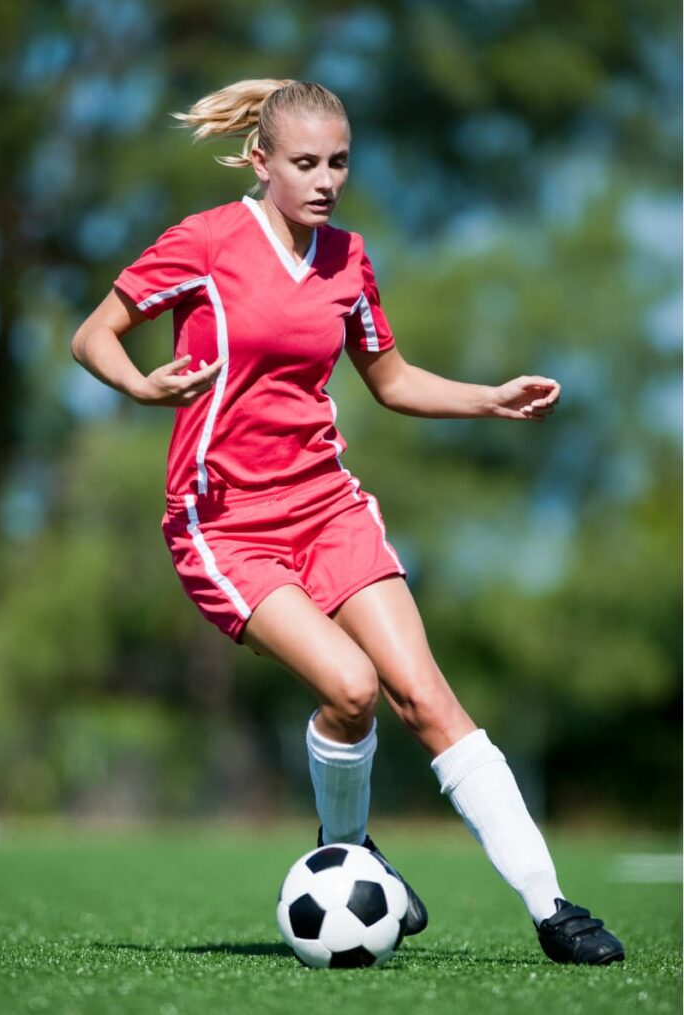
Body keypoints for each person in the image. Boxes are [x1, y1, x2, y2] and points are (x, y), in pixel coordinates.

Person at [71, 79, 624, 966]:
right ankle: (355, 847)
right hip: (224, 523)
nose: (325, 179)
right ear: (261, 160)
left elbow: (392, 380)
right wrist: (139, 383)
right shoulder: (205, 242)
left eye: (338, 162)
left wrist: (491, 397)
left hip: (328, 505)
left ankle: (554, 907)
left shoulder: (349, 258)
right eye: (305, 163)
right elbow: (92, 334)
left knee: (426, 696)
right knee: (352, 688)